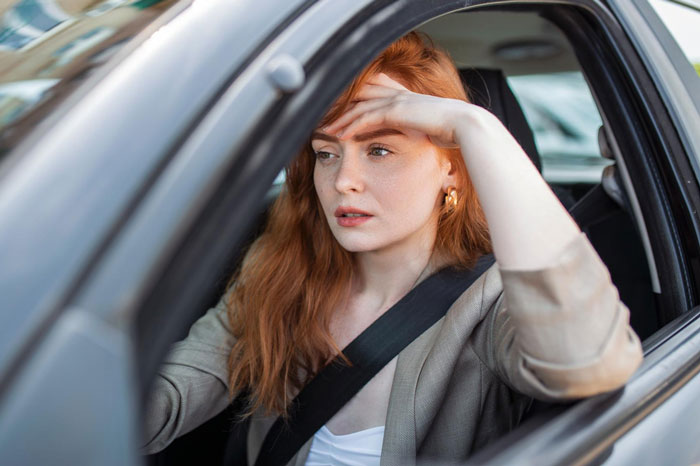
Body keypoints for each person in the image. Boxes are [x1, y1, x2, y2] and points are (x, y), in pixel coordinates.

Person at [141, 32, 643, 465]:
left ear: (451, 166)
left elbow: (588, 363)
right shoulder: (279, 270)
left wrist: (476, 126)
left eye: (380, 149)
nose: (344, 182)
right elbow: (165, 399)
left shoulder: (492, 303)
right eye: (326, 153)